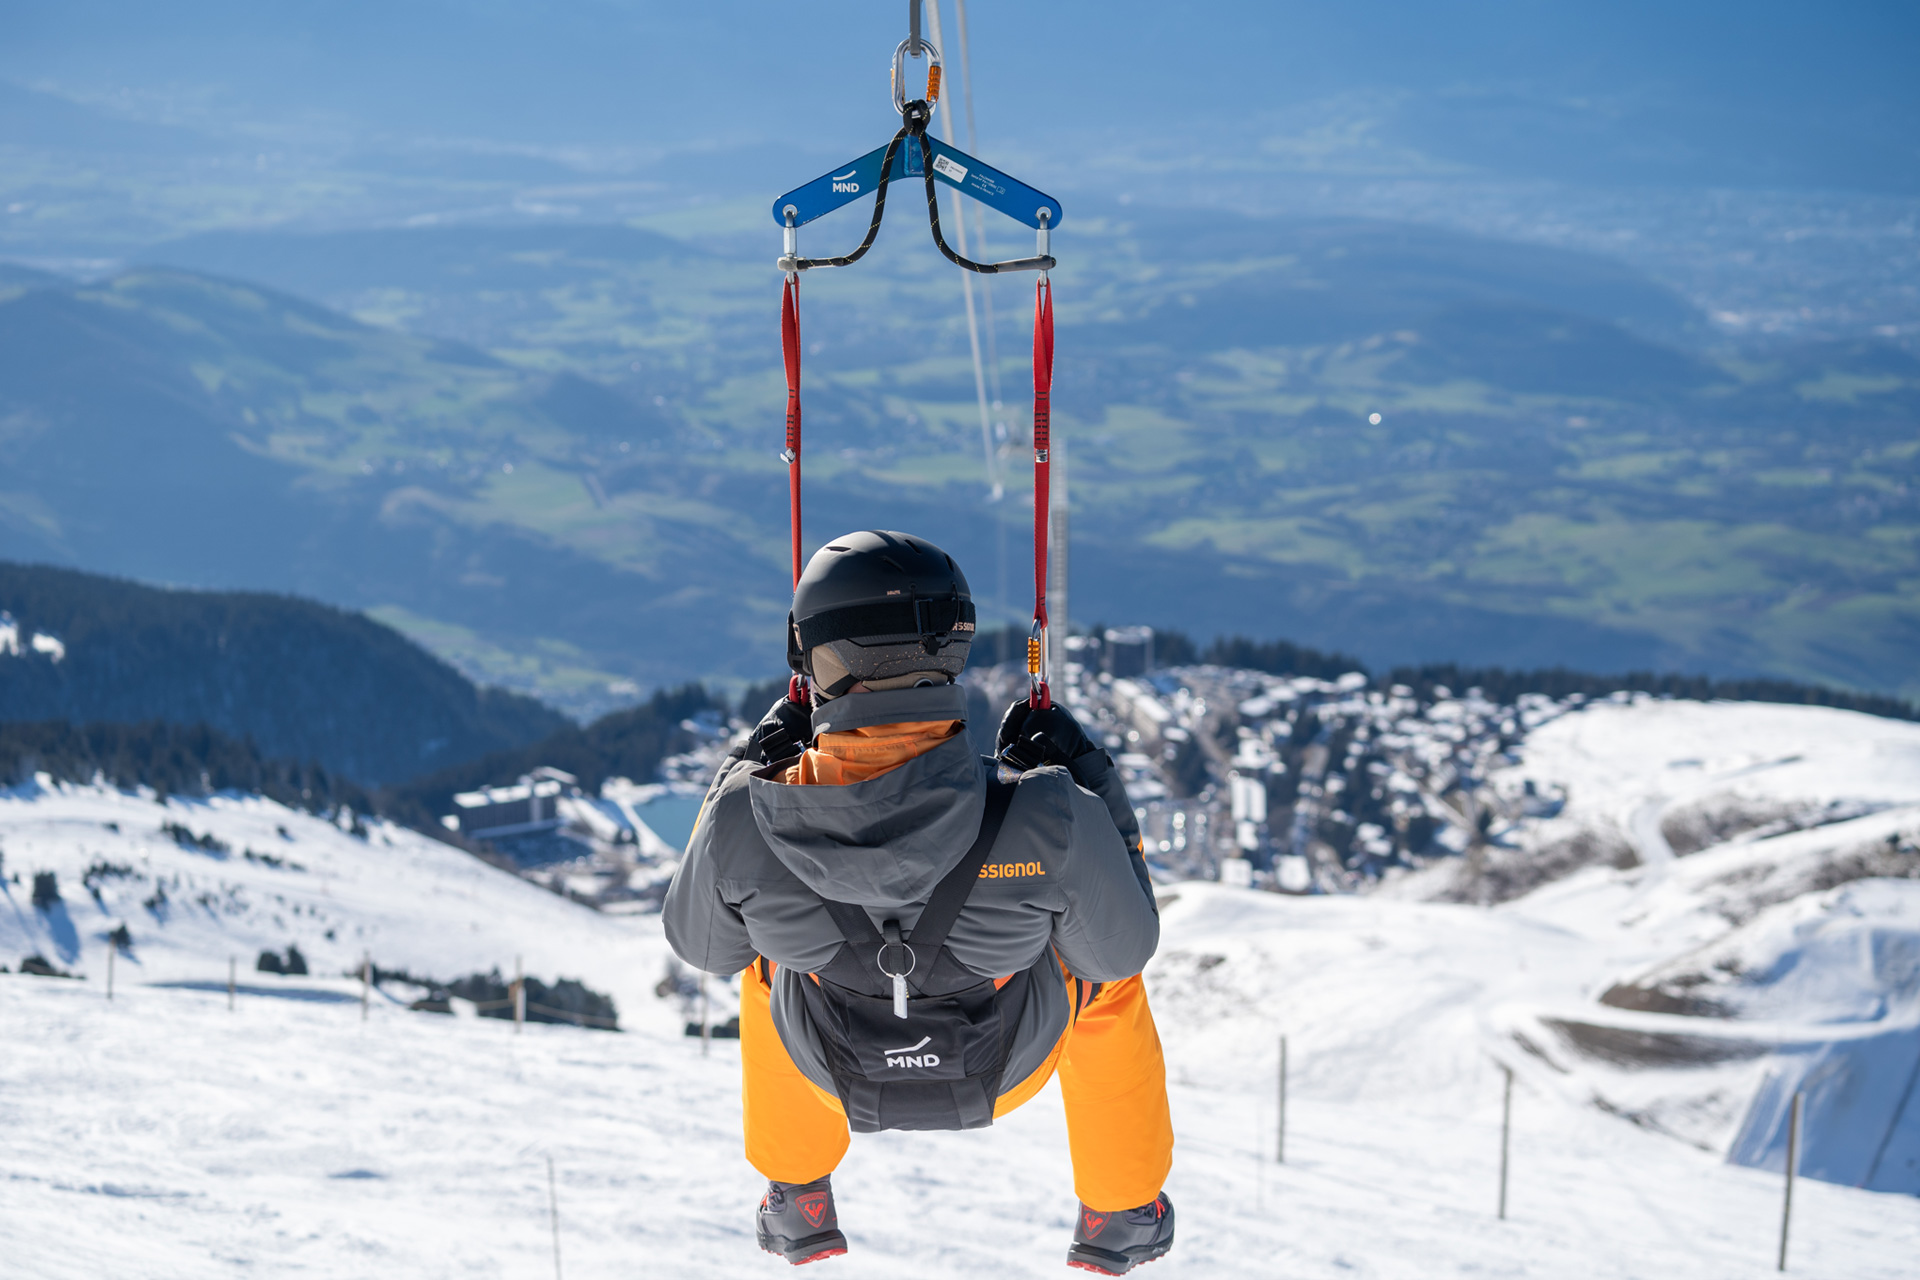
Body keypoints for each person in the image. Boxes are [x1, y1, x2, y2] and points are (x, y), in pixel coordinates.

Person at [664, 529, 1175, 1274]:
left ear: (817, 656)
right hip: (1007, 1064)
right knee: (1105, 980)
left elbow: (702, 947)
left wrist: (743, 768)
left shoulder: (750, 817)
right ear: (953, 648)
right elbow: (1124, 945)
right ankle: (1122, 1212)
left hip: (829, 1069)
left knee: (765, 963)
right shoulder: (1043, 813)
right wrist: (1093, 784)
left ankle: (796, 1196)